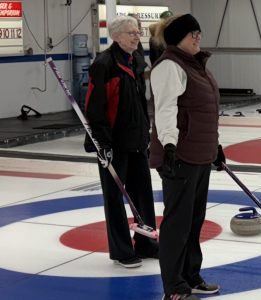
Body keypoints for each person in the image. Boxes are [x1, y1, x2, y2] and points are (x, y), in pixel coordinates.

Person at [149, 14, 225, 300]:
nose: (198, 38)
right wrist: (168, 145)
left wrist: (214, 147)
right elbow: (166, 109)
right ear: (179, 38)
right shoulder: (170, 66)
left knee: (194, 221)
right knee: (177, 225)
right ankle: (174, 288)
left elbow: (205, 112)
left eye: (199, 33)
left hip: (199, 154)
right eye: (193, 34)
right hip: (179, 155)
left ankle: (191, 275)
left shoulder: (196, 66)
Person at [83, 16, 157, 268]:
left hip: (136, 140)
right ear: (116, 37)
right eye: (131, 33)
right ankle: (122, 251)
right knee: (115, 198)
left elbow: (138, 102)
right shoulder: (104, 64)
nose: (137, 36)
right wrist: (102, 143)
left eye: (138, 32)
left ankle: (146, 243)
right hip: (113, 144)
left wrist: (146, 133)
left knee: (143, 195)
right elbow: (94, 108)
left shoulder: (136, 59)